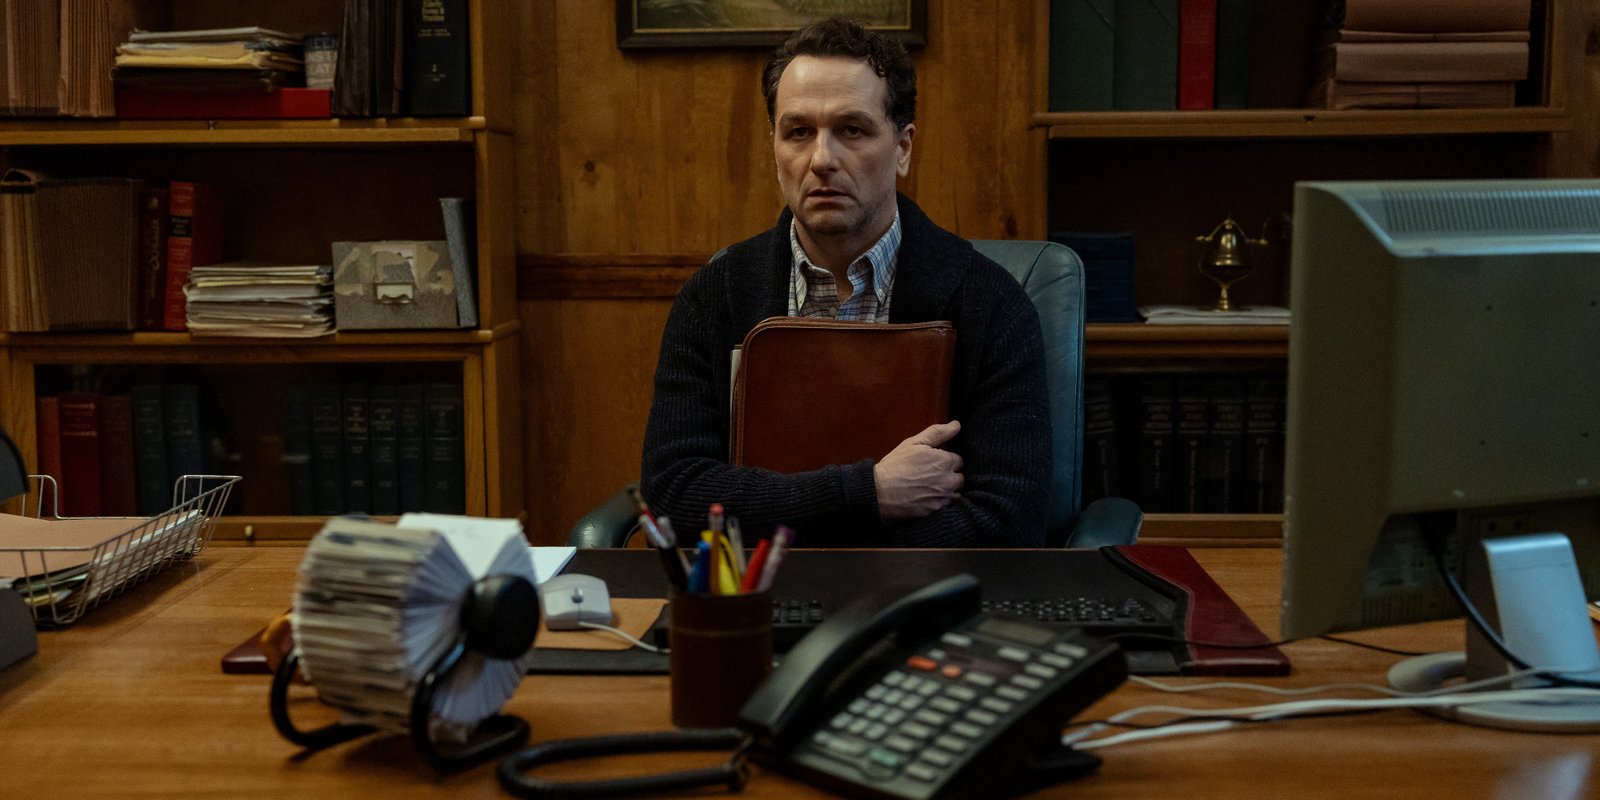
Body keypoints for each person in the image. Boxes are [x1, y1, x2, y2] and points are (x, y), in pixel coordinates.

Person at [639, 18, 1049, 547]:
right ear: (774, 147)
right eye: (798, 132)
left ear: (902, 148)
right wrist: (867, 494)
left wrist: (797, 526)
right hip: (758, 592)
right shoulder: (713, 296)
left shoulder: (991, 302)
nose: (822, 160)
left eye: (852, 130)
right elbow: (673, 496)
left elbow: (1011, 520)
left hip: (920, 592)